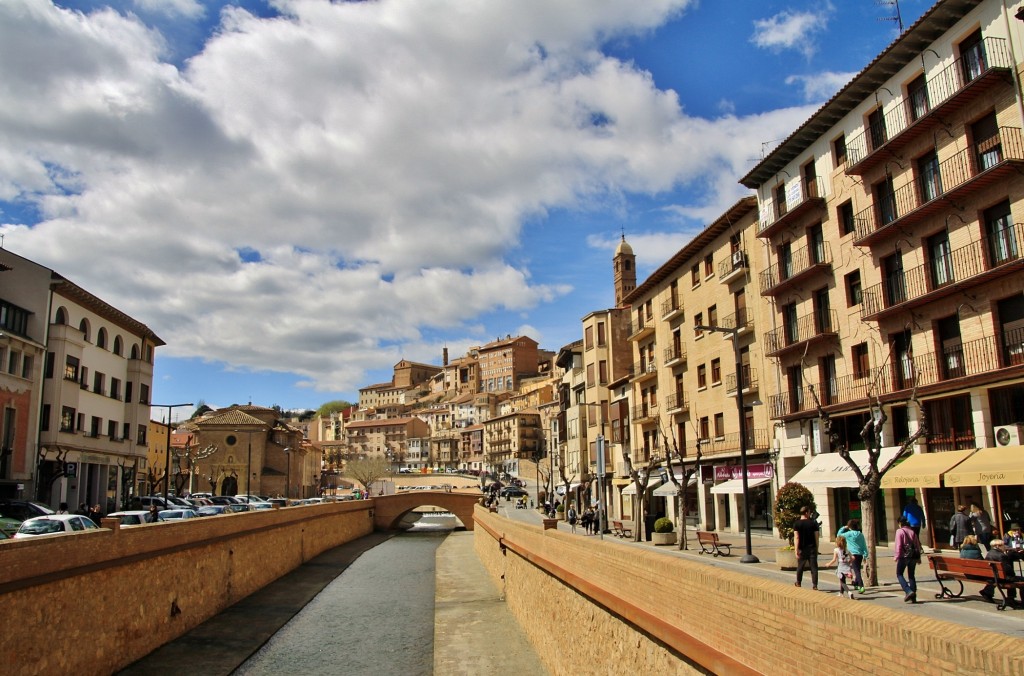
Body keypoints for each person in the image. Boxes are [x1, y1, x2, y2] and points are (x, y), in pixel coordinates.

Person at [980, 539, 1022, 605]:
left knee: (1012, 578)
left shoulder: (989, 553)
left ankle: (1010, 598)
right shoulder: (1002, 556)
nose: (1004, 547)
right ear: (998, 546)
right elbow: (1008, 571)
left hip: (993, 576)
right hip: (1001, 578)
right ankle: (1011, 598)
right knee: (1019, 580)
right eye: (1003, 545)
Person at [894, 517, 922, 603]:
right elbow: (917, 545)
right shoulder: (912, 531)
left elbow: (898, 545)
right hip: (913, 556)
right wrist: (919, 557)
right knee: (911, 575)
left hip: (904, 556)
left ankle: (908, 591)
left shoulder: (899, 531)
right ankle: (914, 596)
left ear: (900, 523)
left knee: (899, 574)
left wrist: (896, 556)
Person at [793, 505, 820, 590]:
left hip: (802, 548)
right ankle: (815, 585)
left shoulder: (796, 523)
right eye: (809, 512)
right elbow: (816, 536)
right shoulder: (813, 523)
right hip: (812, 548)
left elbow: (796, 537)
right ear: (806, 513)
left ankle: (798, 582)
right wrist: (817, 548)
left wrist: (796, 549)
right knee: (814, 567)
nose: (810, 514)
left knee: (800, 566)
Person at [837, 519, 867, 593]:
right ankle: (856, 583)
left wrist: (844, 527)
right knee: (857, 569)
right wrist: (865, 554)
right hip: (860, 554)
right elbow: (864, 545)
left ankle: (861, 586)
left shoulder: (848, 534)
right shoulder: (860, 534)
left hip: (852, 555)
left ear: (850, 527)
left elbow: (839, 535)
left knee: (856, 571)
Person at [826, 535, 856, 599]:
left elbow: (834, 559)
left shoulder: (836, 550)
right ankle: (841, 593)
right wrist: (849, 562)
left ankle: (849, 592)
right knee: (843, 579)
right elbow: (853, 557)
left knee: (842, 581)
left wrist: (829, 564)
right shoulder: (847, 550)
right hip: (846, 565)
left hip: (841, 566)